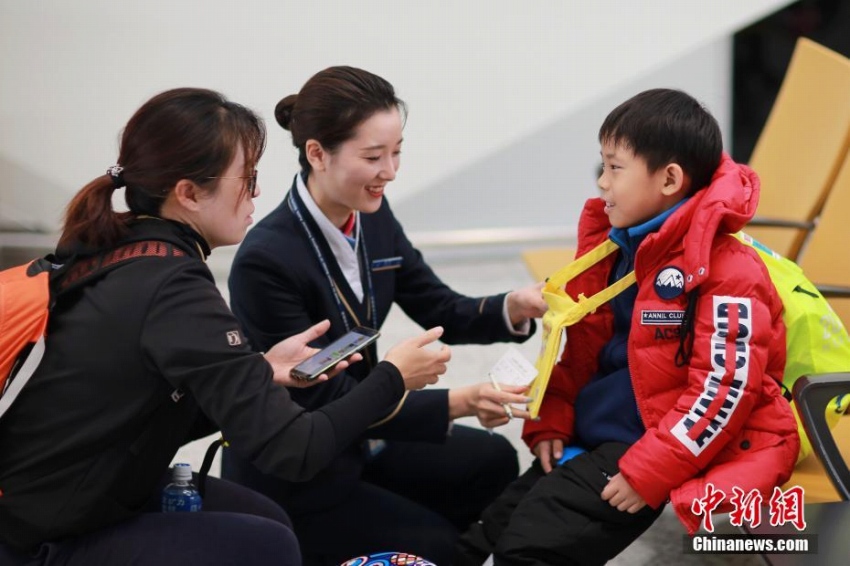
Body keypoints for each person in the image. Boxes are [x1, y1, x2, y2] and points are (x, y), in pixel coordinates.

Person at [0, 87, 451, 566]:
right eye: (247, 177)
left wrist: (258, 369)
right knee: (267, 545)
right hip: (42, 531)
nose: (256, 191)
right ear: (190, 194)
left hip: (64, 492)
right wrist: (394, 377)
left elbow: (137, 405)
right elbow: (292, 449)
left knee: (268, 519)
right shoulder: (175, 285)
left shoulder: (125, 248)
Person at [453, 89, 801, 565]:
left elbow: (724, 391)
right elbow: (582, 349)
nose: (601, 182)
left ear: (670, 179)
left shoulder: (728, 272)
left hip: (660, 446)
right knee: (483, 539)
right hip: (602, 432)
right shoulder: (620, 252)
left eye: (615, 168)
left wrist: (649, 472)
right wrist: (553, 415)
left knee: (527, 551)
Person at [222, 66, 548, 565]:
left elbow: (440, 308)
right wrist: (458, 400)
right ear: (316, 153)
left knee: (493, 462)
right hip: (303, 474)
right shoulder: (267, 259)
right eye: (374, 156)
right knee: (437, 545)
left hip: (365, 438)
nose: (391, 171)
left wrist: (514, 305)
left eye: (397, 152)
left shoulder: (370, 215)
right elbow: (325, 397)